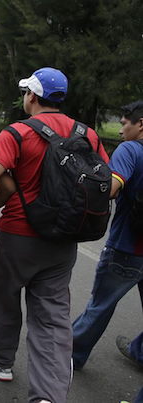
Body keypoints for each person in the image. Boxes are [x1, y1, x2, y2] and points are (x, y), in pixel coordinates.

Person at [0, 67, 109, 403]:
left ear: (32, 96)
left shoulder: (18, 132)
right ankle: (47, 396)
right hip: (63, 239)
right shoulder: (87, 134)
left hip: (18, 234)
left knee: (2, 299)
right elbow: (106, 181)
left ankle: (2, 361)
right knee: (51, 317)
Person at [72, 100, 143, 369]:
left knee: (100, 306)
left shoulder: (130, 150)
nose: (122, 129)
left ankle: (71, 354)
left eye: (125, 123)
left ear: (141, 124)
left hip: (127, 247)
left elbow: (110, 189)